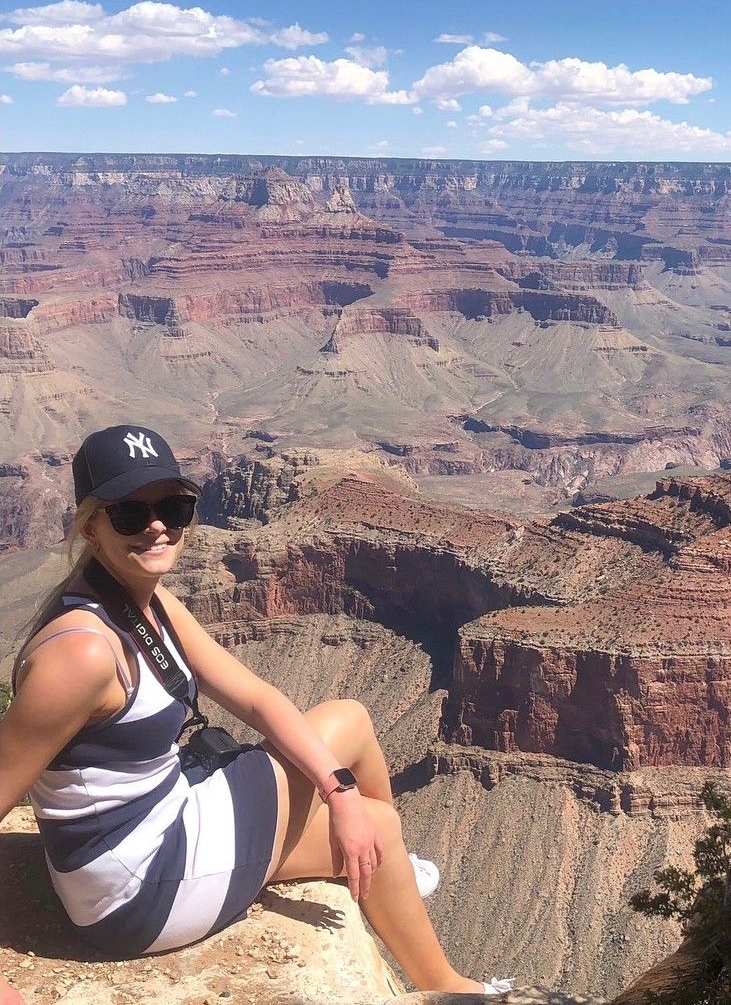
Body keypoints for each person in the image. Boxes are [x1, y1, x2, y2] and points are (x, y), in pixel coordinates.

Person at [0, 425, 513, 997]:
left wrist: (340, 796)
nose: (157, 526)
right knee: (380, 825)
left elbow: (255, 698)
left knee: (351, 722)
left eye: (173, 508)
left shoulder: (138, 599)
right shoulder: (83, 654)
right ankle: (446, 984)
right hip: (135, 888)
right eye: (129, 514)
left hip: (161, 814)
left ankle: (383, 870)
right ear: (90, 526)